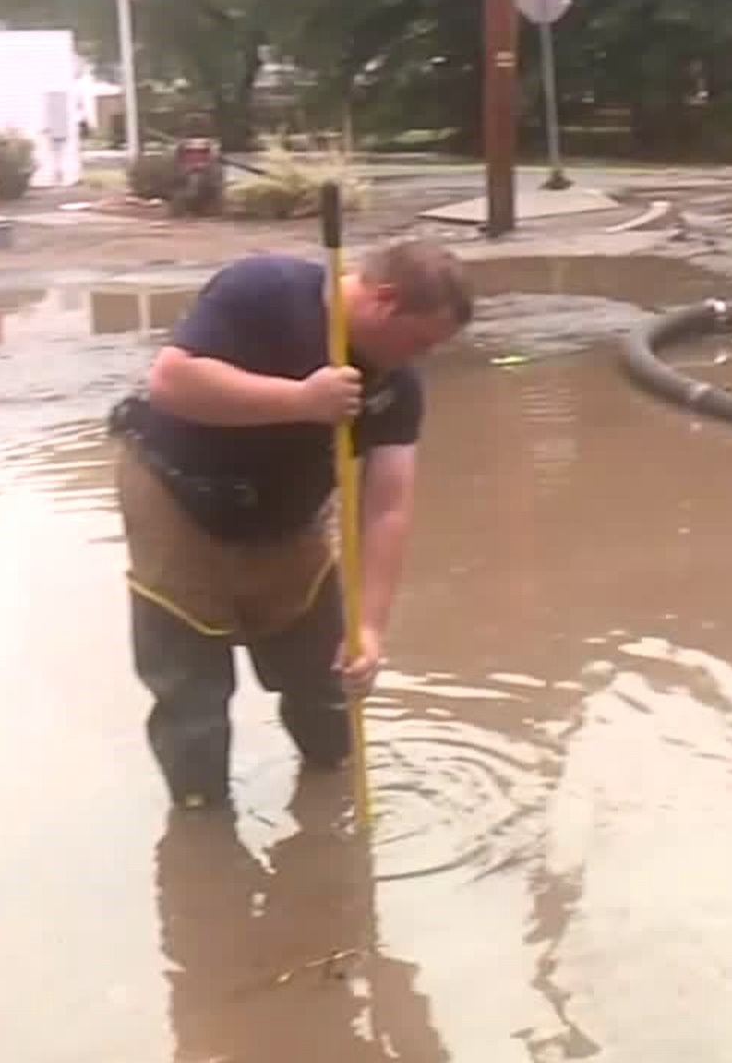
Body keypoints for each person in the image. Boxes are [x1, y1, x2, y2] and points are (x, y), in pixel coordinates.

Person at [107, 240, 474, 810]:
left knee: (325, 675)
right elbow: (171, 382)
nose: (417, 359)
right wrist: (302, 400)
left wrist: (372, 628)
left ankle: (332, 795)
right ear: (385, 300)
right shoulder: (266, 290)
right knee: (193, 694)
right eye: (419, 341)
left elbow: (387, 508)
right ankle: (204, 829)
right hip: (176, 490)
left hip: (288, 513)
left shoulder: (397, 387)